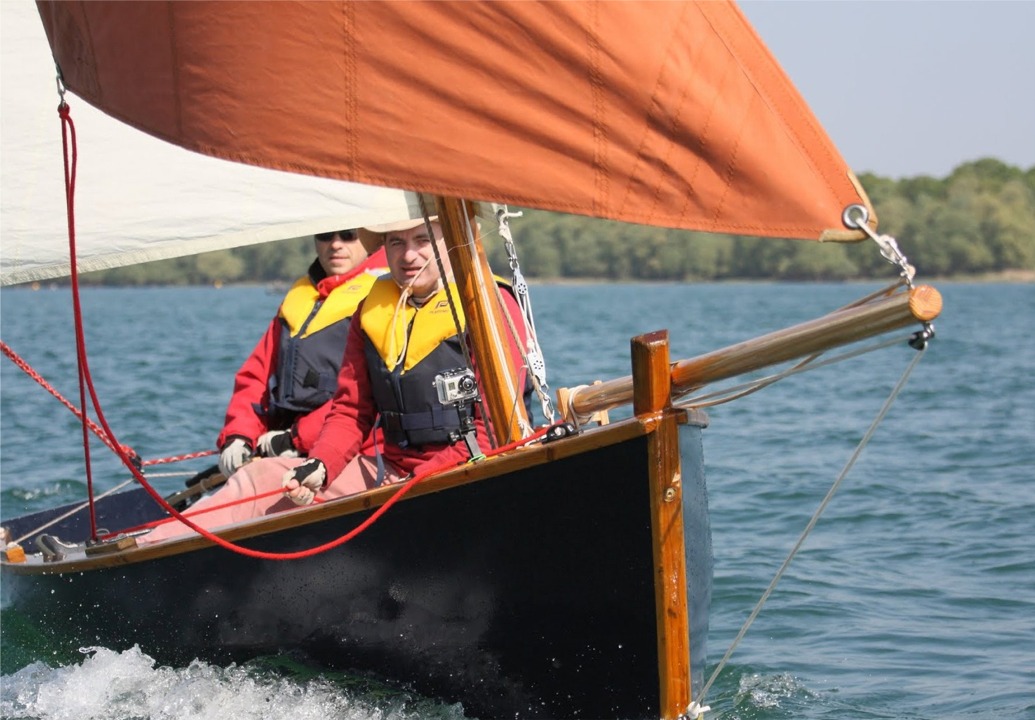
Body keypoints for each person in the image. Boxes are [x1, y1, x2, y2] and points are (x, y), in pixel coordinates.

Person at [143, 217, 531, 542]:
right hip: (395, 472)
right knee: (262, 475)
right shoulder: (373, 310)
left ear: (454, 243)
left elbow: (495, 430)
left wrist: (414, 486)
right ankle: (149, 549)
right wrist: (321, 465)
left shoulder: (489, 306)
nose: (408, 255)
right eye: (396, 242)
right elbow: (350, 411)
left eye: (422, 240)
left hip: (468, 473)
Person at [215, 228, 388, 479]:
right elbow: (256, 376)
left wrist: (297, 438)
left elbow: (367, 398)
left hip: (355, 448)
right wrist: (239, 434)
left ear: (368, 238)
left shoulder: (383, 297)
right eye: (326, 235)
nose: (336, 244)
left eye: (348, 235)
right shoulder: (298, 298)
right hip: (283, 444)